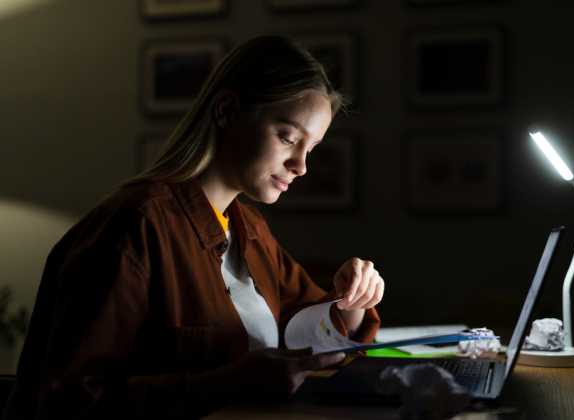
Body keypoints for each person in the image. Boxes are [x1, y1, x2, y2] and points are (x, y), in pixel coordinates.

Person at [2, 36, 383, 420]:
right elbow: (71, 403)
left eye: (311, 148)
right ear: (228, 111)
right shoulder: (133, 230)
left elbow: (311, 333)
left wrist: (353, 297)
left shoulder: (249, 228)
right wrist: (233, 381)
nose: (300, 165)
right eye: (288, 137)